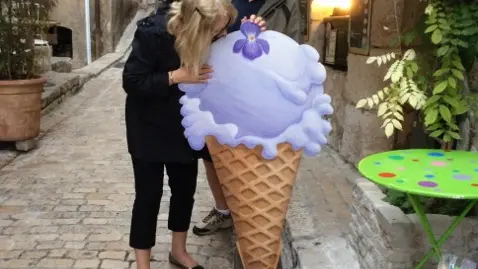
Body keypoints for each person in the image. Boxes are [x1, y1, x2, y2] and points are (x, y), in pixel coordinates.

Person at [122, 1, 263, 268]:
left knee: (184, 191)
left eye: (223, 32)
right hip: (147, 124)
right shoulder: (154, 32)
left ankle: (179, 250)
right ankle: (143, 264)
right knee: (148, 196)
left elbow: (238, 51)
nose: (220, 38)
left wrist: (255, 31)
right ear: (196, 28)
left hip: (186, 123)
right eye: (215, 34)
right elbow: (132, 81)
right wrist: (176, 76)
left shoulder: (216, 25)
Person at [193, 0, 303, 237]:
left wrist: (267, 38)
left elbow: (294, 51)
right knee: (213, 155)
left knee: (257, 156)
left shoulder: (286, 4)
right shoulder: (222, 2)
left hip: (263, 96)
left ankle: (255, 214)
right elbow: (199, 38)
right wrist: (231, 35)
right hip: (221, 91)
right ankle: (223, 211)